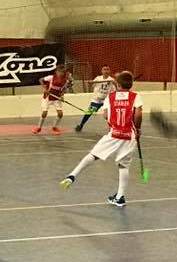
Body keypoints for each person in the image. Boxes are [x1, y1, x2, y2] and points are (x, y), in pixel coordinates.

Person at [59, 71, 142, 208]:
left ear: (118, 84)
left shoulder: (111, 96)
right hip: (129, 136)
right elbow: (138, 114)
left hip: (114, 134)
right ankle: (120, 197)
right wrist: (137, 128)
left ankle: (72, 175)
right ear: (131, 84)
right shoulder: (135, 96)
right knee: (123, 165)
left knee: (93, 155)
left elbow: (105, 115)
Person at [75, 66, 117, 132]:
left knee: (109, 114)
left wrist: (115, 84)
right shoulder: (98, 78)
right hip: (97, 100)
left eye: (107, 69)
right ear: (102, 71)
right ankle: (81, 125)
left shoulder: (112, 80)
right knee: (89, 112)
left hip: (106, 100)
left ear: (109, 71)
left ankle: (112, 128)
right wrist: (90, 83)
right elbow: (91, 86)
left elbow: (116, 90)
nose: (106, 71)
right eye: (104, 69)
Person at [33, 64, 72, 135]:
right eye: (59, 71)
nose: (61, 73)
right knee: (44, 113)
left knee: (60, 114)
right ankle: (39, 128)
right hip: (47, 97)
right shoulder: (51, 77)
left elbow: (63, 89)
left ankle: (54, 127)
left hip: (56, 98)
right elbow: (40, 79)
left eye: (62, 72)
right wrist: (45, 89)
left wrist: (62, 96)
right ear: (56, 71)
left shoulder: (65, 80)